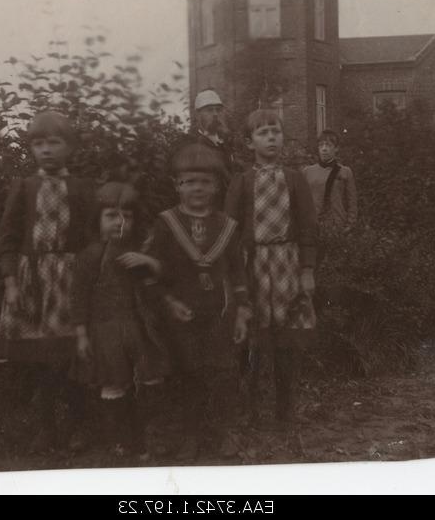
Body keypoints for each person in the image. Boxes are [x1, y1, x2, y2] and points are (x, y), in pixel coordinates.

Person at [0, 110, 94, 453]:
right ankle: (46, 429)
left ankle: (81, 424)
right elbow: (7, 237)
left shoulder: (81, 188)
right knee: (39, 360)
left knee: (72, 357)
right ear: (31, 149)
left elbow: (94, 237)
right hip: (33, 281)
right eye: (39, 143)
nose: (46, 150)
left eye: (54, 142)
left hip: (70, 281)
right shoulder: (24, 187)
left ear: (70, 147)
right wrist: (11, 282)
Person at [148, 143, 253, 461]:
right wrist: (167, 302)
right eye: (189, 181)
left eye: (205, 181)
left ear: (218, 186)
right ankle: (190, 434)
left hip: (220, 314)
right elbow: (152, 273)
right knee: (187, 375)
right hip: (181, 316)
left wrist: (242, 311)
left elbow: (237, 272)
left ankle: (226, 432)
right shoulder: (166, 224)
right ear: (176, 185)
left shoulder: (227, 227)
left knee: (223, 374)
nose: (197, 188)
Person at [225, 109, 318, 425]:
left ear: (283, 137)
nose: (270, 138)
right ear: (249, 142)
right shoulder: (242, 181)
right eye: (262, 132)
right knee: (253, 338)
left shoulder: (295, 179)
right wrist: (234, 272)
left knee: (286, 339)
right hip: (254, 265)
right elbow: (229, 229)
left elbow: (308, 226)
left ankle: (284, 409)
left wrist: (307, 269)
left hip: (287, 264)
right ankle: (249, 408)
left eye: (275, 131)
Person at [70, 182, 168, 459]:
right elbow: (78, 297)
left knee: (151, 378)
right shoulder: (90, 255)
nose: (120, 221)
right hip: (105, 329)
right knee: (114, 382)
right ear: (97, 219)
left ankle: (145, 436)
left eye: (128, 215)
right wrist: (81, 334)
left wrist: (149, 262)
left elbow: (159, 283)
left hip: (140, 327)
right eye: (111, 215)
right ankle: (119, 439)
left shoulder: (140, 250)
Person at [302, 128, 358, 270]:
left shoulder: (345, 172)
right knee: (314, 266)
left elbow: (352, 202)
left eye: (328, 146)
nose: (324, 149)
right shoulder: (307, 172)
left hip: (337, 227)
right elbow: (301, 203)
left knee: (335, 268)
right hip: (314, 227)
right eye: (321, 145)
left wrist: (349, 226)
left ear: (336, 149)